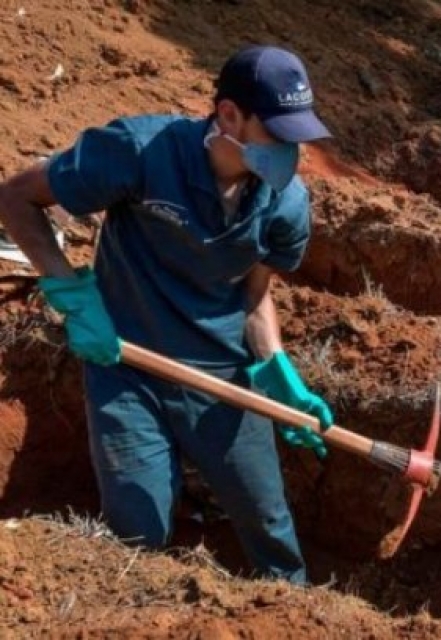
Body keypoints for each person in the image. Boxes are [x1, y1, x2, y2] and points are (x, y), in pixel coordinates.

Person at [0, 45, 336, 584]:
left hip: (224, 377)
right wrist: (70, 291)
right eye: (278, 133)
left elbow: (254, 296)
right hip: (126, 367)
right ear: (229, 116)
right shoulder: (141, 151)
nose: (292, 151)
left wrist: (277, 368)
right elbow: (17, 197)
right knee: (137, 534)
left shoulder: (286, 204)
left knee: (268, 524)